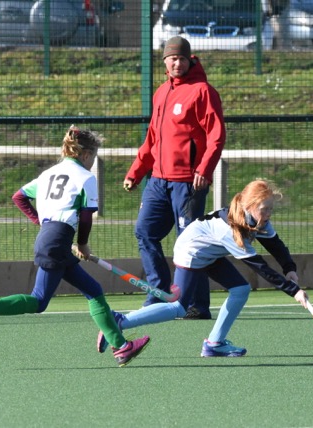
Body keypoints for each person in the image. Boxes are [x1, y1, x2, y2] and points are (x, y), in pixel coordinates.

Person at [0, 125, 150, 367]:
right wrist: (82, 244)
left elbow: (19, 196)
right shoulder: (86, 178)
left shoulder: (49, 174)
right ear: (86, 155)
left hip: (50, 238)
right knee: (39, 301)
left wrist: (42, 223)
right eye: (94, 157)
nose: (93, 162)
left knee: (93, 290)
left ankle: (121, 347)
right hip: (57, 240)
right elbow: (86, 216)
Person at [97, 179, 308, 357]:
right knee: (179, 307)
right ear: (249, 205)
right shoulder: (229, 229)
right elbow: (260, 267)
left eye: (271, 209)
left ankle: (215, 344)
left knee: (240, 289)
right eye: (265, 209)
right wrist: (294, 291)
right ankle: (120, 321)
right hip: (191, 252)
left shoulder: (257, 220)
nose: (269, 213)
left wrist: (289, 268)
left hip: (209, 253)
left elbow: (275, 244)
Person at [123, 35, 226, 320]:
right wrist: (136, 172)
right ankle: (158, 295)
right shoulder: (161, 92)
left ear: (189, 60)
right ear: (164, 62)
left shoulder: (203, 91)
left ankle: (196, 305)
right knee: (145, 232)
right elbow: (152, 139)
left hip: (188, 182)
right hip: (158, 181)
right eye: (171, 59)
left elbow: (216, 137)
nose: (176, 63)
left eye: (181, 58)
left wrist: (204, 169)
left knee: (189, 244)